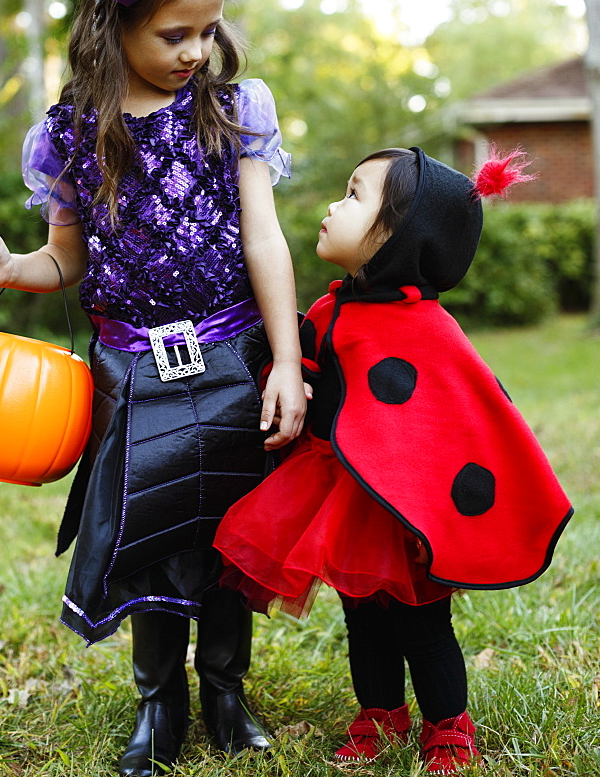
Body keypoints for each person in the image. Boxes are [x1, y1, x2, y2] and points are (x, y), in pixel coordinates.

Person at [0, 0, 307, 777]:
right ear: (116, 26)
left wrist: (288, 361)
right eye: (173, 33)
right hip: (133, 366)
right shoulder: (73, 131)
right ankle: (161, 703)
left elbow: (263, 239)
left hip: (233, 355)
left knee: (229, 530)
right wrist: (10, 266)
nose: (195, 49)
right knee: (148, 528)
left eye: (208, 30)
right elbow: (64, 259)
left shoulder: (231, 109)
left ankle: (225, 689)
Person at [214, 146, 573, 775]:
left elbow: (463, 419)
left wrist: (435, 507)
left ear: (399, 233)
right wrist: (287, 374)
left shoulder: (428, 327)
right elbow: (308, 365)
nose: (333, 204)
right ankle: (381, 712)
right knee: (365, 621)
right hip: (343, 497)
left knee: (423, 624)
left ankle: (448, 725)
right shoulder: (330, 309)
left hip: (409, 504)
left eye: (355, 196)